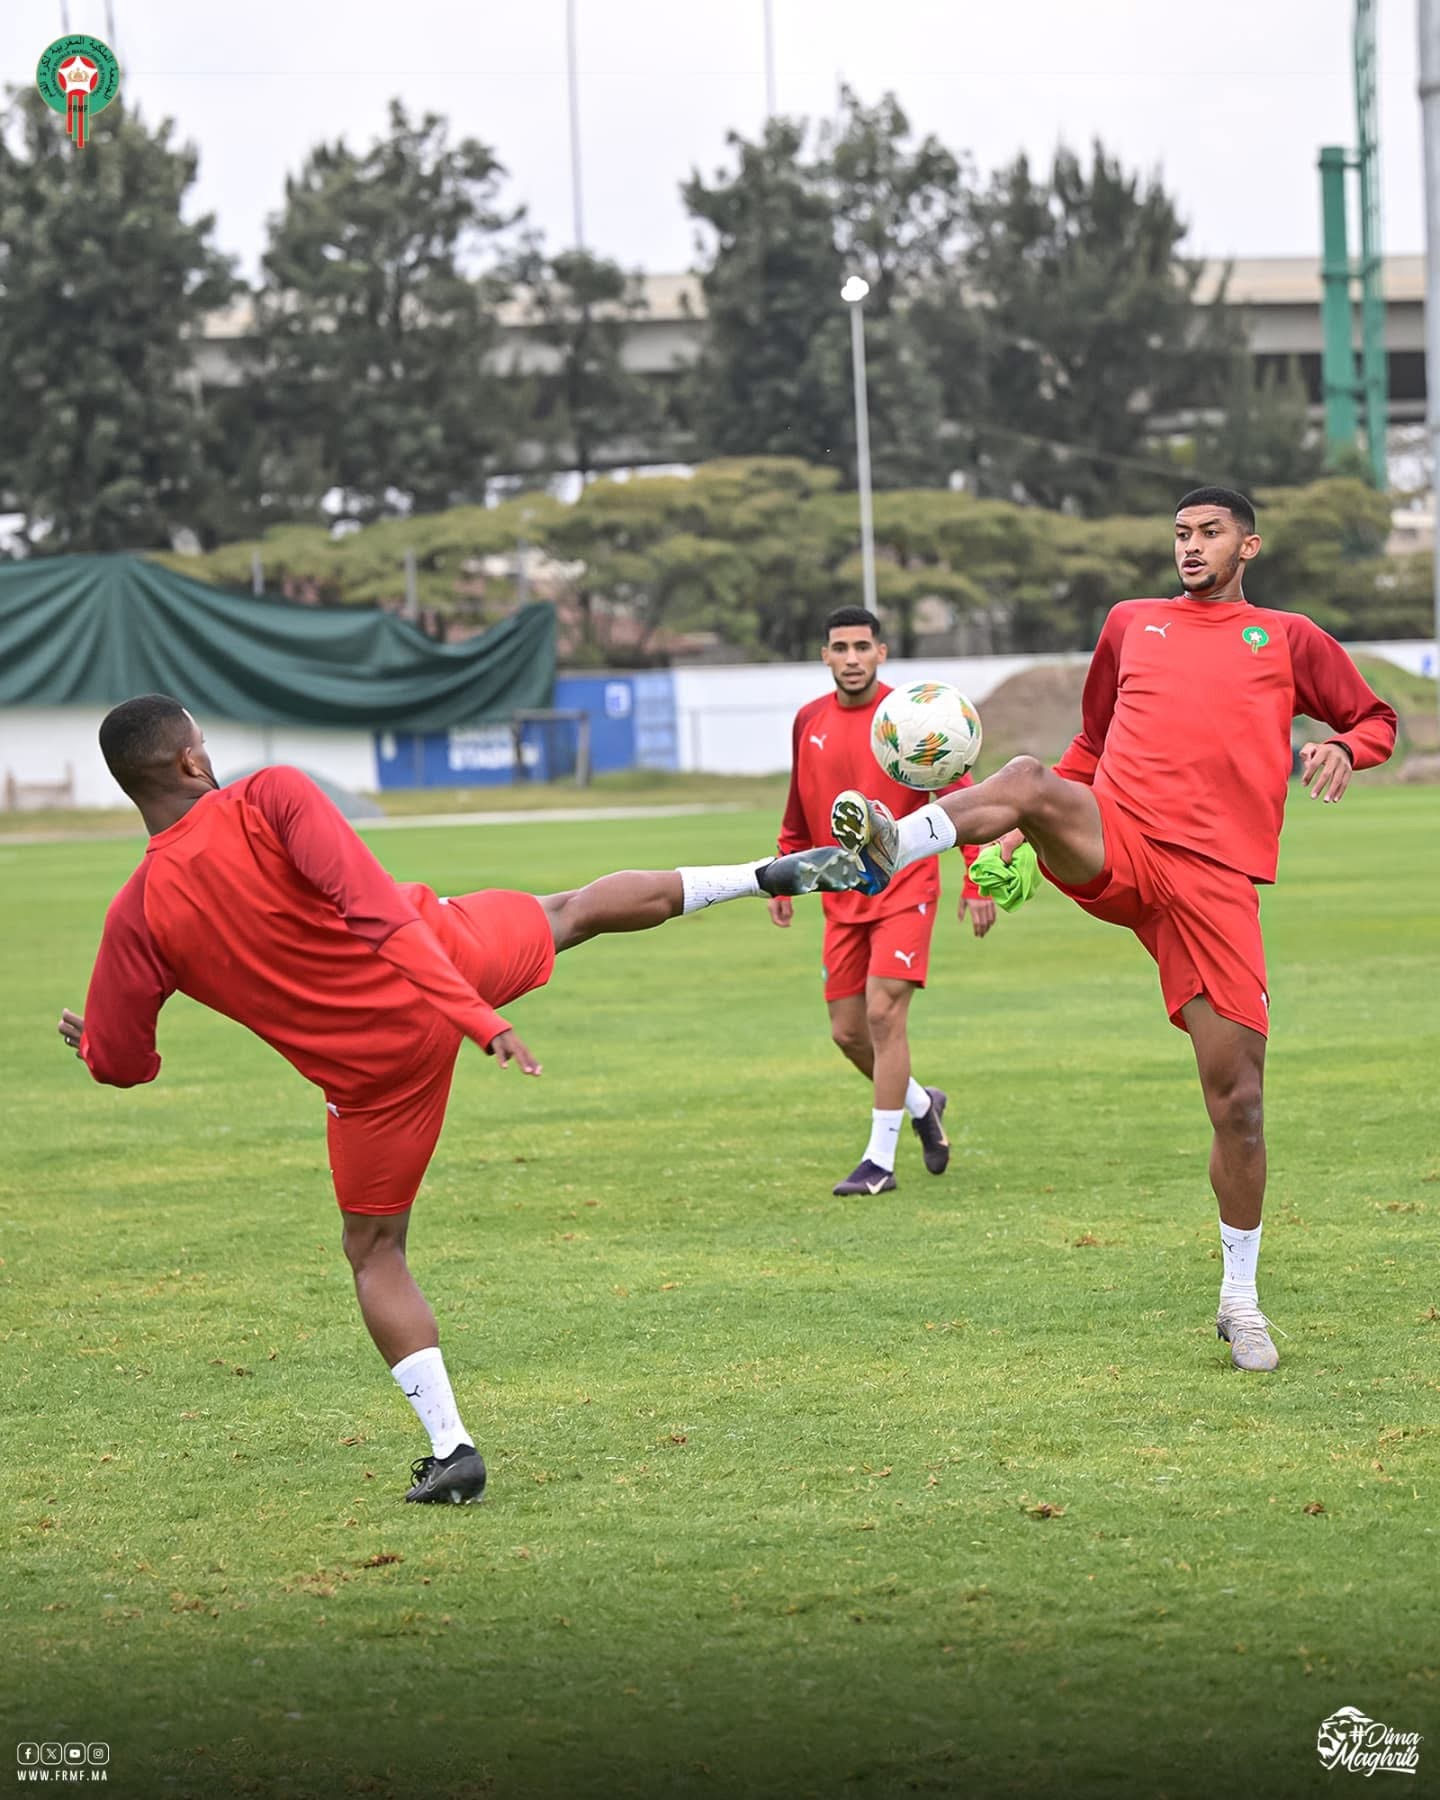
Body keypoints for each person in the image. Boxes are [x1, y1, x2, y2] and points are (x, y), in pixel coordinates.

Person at [58, 695, 863, 1504]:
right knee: (571, 911)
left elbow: (124, 1065)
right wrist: (473, 1013)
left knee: (375, 1254)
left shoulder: (138, 914)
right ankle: (765, 876)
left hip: (372, 1082)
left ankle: (452, 1449)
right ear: (193, 762)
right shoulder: (270, 795)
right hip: (446, 967)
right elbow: (372, 908)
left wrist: (94, 1040)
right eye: (203, 740)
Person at [826, 489, 1397, 1370]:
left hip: (1216, 885)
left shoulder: (1287, 637)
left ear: (1250, 545)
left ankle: (1239, 1302)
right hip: (1122, 841)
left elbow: (1376, 719)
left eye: (1210, 533)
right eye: (1180, 533)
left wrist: (1341, 748)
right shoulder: (1131, 622)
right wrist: (1021, 822)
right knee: (1024, 773)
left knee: (1238, 1103)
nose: (1192, 546)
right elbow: (1086, 746)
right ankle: (898, 842)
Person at [771, 605, 994, 1198]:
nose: (850, 659)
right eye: (839, 648)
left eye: (861, 647)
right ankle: (923, 1103)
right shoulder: (807, 720)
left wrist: (975, 880)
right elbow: (801, 803)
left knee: (882, 1016)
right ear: (825, 656)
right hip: (835, 889)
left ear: (881, 653)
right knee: (848, 1034)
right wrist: (785, 867)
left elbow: (960, 800)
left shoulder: (909, 718)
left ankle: (879, 1162)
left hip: (905, 889)